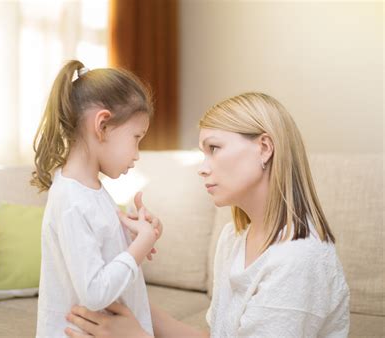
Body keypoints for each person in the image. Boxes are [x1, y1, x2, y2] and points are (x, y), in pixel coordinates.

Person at [64, 92, 350, 337]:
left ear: (264, 148)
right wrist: (129, 303)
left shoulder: (298, 258)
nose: (202, 167)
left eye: (214, 148)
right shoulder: (234, 239)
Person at [31, 60, 163, 337]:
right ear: (102, 125)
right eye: (136, 138)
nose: (137, 154)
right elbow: (94, 292)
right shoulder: (70, 199)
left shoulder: (91, 189)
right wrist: (139, 246)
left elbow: (100, 253)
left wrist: (134, 235)